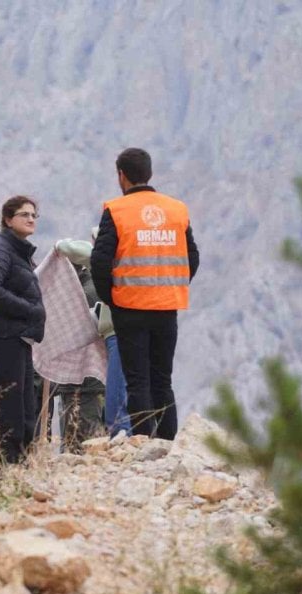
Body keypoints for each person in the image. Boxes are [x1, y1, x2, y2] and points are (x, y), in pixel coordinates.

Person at [91, 147, 199, 440]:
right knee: (162, 380)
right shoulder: (177, 209)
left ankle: (143, 441)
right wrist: (172, 285)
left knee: (137, 381)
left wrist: (112, 298)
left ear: (121, 176)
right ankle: (165, 443)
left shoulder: (115, 210)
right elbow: (192, 257)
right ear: (149, 173)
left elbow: (99, 261)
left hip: (129, 308)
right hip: (166, 307)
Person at [0, 196, 46, 464]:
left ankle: (17, 473)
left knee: (26, 414)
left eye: (33, 215)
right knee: (10, 417)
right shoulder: (0, 249)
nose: (31, 219)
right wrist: (29, 309)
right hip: (6, 340)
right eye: (24, 214)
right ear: (8, 220)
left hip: (21, 340)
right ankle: (2, 476)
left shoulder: (17, 251)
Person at [56, 235, 131, 438]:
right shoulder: (83, 287)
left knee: (84, 436)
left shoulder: (87, 290)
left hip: (86, 379)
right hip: (80, 379)